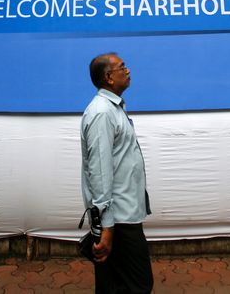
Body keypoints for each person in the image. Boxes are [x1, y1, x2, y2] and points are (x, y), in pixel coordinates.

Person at [81, 53, 153, 293]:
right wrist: (107, 228)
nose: (129, 70)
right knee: (138, 285)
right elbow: (99, 173)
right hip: (118, 221)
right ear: (109, 77)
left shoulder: (113, 109)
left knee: (113, 285)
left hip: (122, 216)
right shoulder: (102, 113)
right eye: (123, 67)